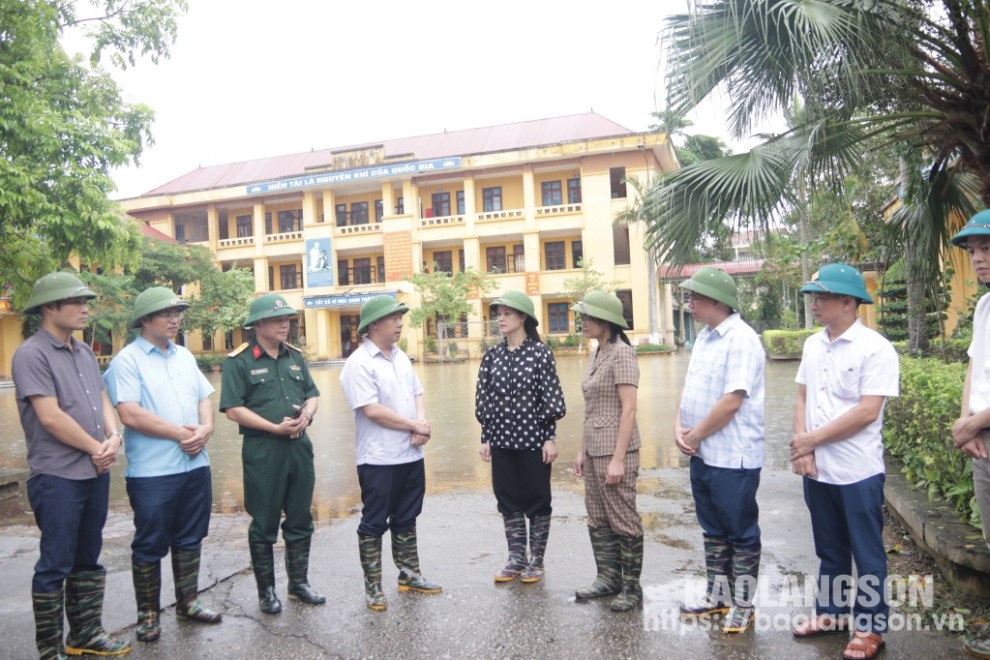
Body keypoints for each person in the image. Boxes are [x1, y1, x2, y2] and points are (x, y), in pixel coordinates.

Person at [11, 272, 131, 658]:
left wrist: (115, 437)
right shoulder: (31, 354)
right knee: (55, 563)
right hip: (57, 475)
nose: (85, 309)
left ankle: (84, 634)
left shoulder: (82, 350)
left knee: (88, 557)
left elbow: (101, 397)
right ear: (49, 308)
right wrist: (99, 446)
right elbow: (51, 417)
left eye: (86, 302)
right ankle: (49, 650)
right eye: (76, 302)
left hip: (93, 471)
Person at [790, 263, 899, 660]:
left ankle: (871, 627)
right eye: (813, 296)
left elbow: (868, 411)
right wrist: (804, 449)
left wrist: (811, 440)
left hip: (857, 471)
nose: (814, 303)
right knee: (830, 549)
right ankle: (832, 613)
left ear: (848, 302)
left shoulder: (876, 348)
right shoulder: (813, 345)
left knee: (867, 553)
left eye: (821, 297)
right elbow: (802, 396)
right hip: (819, 469)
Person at [103, 287, 221, 643]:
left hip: (195, 464)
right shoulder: (127, 360)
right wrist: (180, 435)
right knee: (150, 542)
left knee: (190, 537)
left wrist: (206, 429)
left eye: (177, 312)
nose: (175, 319)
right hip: (154, 471)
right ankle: (148, 616)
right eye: (166, 313)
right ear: (145, 319)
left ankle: (188, 601)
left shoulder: (184, 356)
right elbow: (129, 413)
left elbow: (204, 398)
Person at [219, 293, 324, 615]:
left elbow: (312, 394)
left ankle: (299, 583)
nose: (285, 325)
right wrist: (272, 427)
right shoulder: (239, 361)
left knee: (301, 516)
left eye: (288, 319)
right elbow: (233, 409)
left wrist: (307, 415)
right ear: (259, 324)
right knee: (264, 521)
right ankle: (266, 592)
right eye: (278, 320)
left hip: (298, 447)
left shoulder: (294, 356)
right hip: (264, 450)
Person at [672, 269, 765, 633]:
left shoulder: (741, 339)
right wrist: (678, 426)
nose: (689, 304)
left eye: (695, 297)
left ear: (716, 300)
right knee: (712, 528)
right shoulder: (705, 337)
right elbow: (690, 388)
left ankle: (743, 604)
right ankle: (717, 596)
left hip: (732, 455)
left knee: (740, 531)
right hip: (703, 453)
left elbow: (732, 401)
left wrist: (694, 437)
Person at [339, 295, 441, 611]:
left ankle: (409, 574)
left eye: (400, 318)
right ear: (374, 325)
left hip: (410, 455)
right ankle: (373, 587)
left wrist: (420, 424)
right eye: (393, 318)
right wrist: (413, 424)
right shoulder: (358, 363)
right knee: (373, 522)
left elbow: (417, 391)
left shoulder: (400, 356)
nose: (399, 323)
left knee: (407, 516)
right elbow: (372, 410)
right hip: (378, 458)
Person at [475, 291, 566, 585]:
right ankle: (516, 558)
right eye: (498, 314)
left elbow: (550, 397)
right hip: (501, 440)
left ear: (523, 318)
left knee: (537, 500)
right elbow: (484, 398)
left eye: (507, 314)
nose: (500, 319)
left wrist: (549, 437)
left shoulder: (540, 353)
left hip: (533, 440)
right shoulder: (492, 356)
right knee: (507, 499)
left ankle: (536, 561)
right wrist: (485, 436)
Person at [569, 291, 642, 611]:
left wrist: (617, 460)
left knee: (623, 519)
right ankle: (608, 578)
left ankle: (631, 587)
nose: (582, 322)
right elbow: (591, 408)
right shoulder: (597, 353)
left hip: (617, 452)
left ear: (606, 321)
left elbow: (629, 410)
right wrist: (582, 451)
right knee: (598, 517)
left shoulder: (623, 354)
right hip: (595, 448)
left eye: (587, 317)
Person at [948, 210, 990, 660]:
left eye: (986, 248)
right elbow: (974, 368)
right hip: (981, 436)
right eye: (974, 250)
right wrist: (966, 424)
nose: (978, 258)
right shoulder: (983, 305)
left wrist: (974, 423)